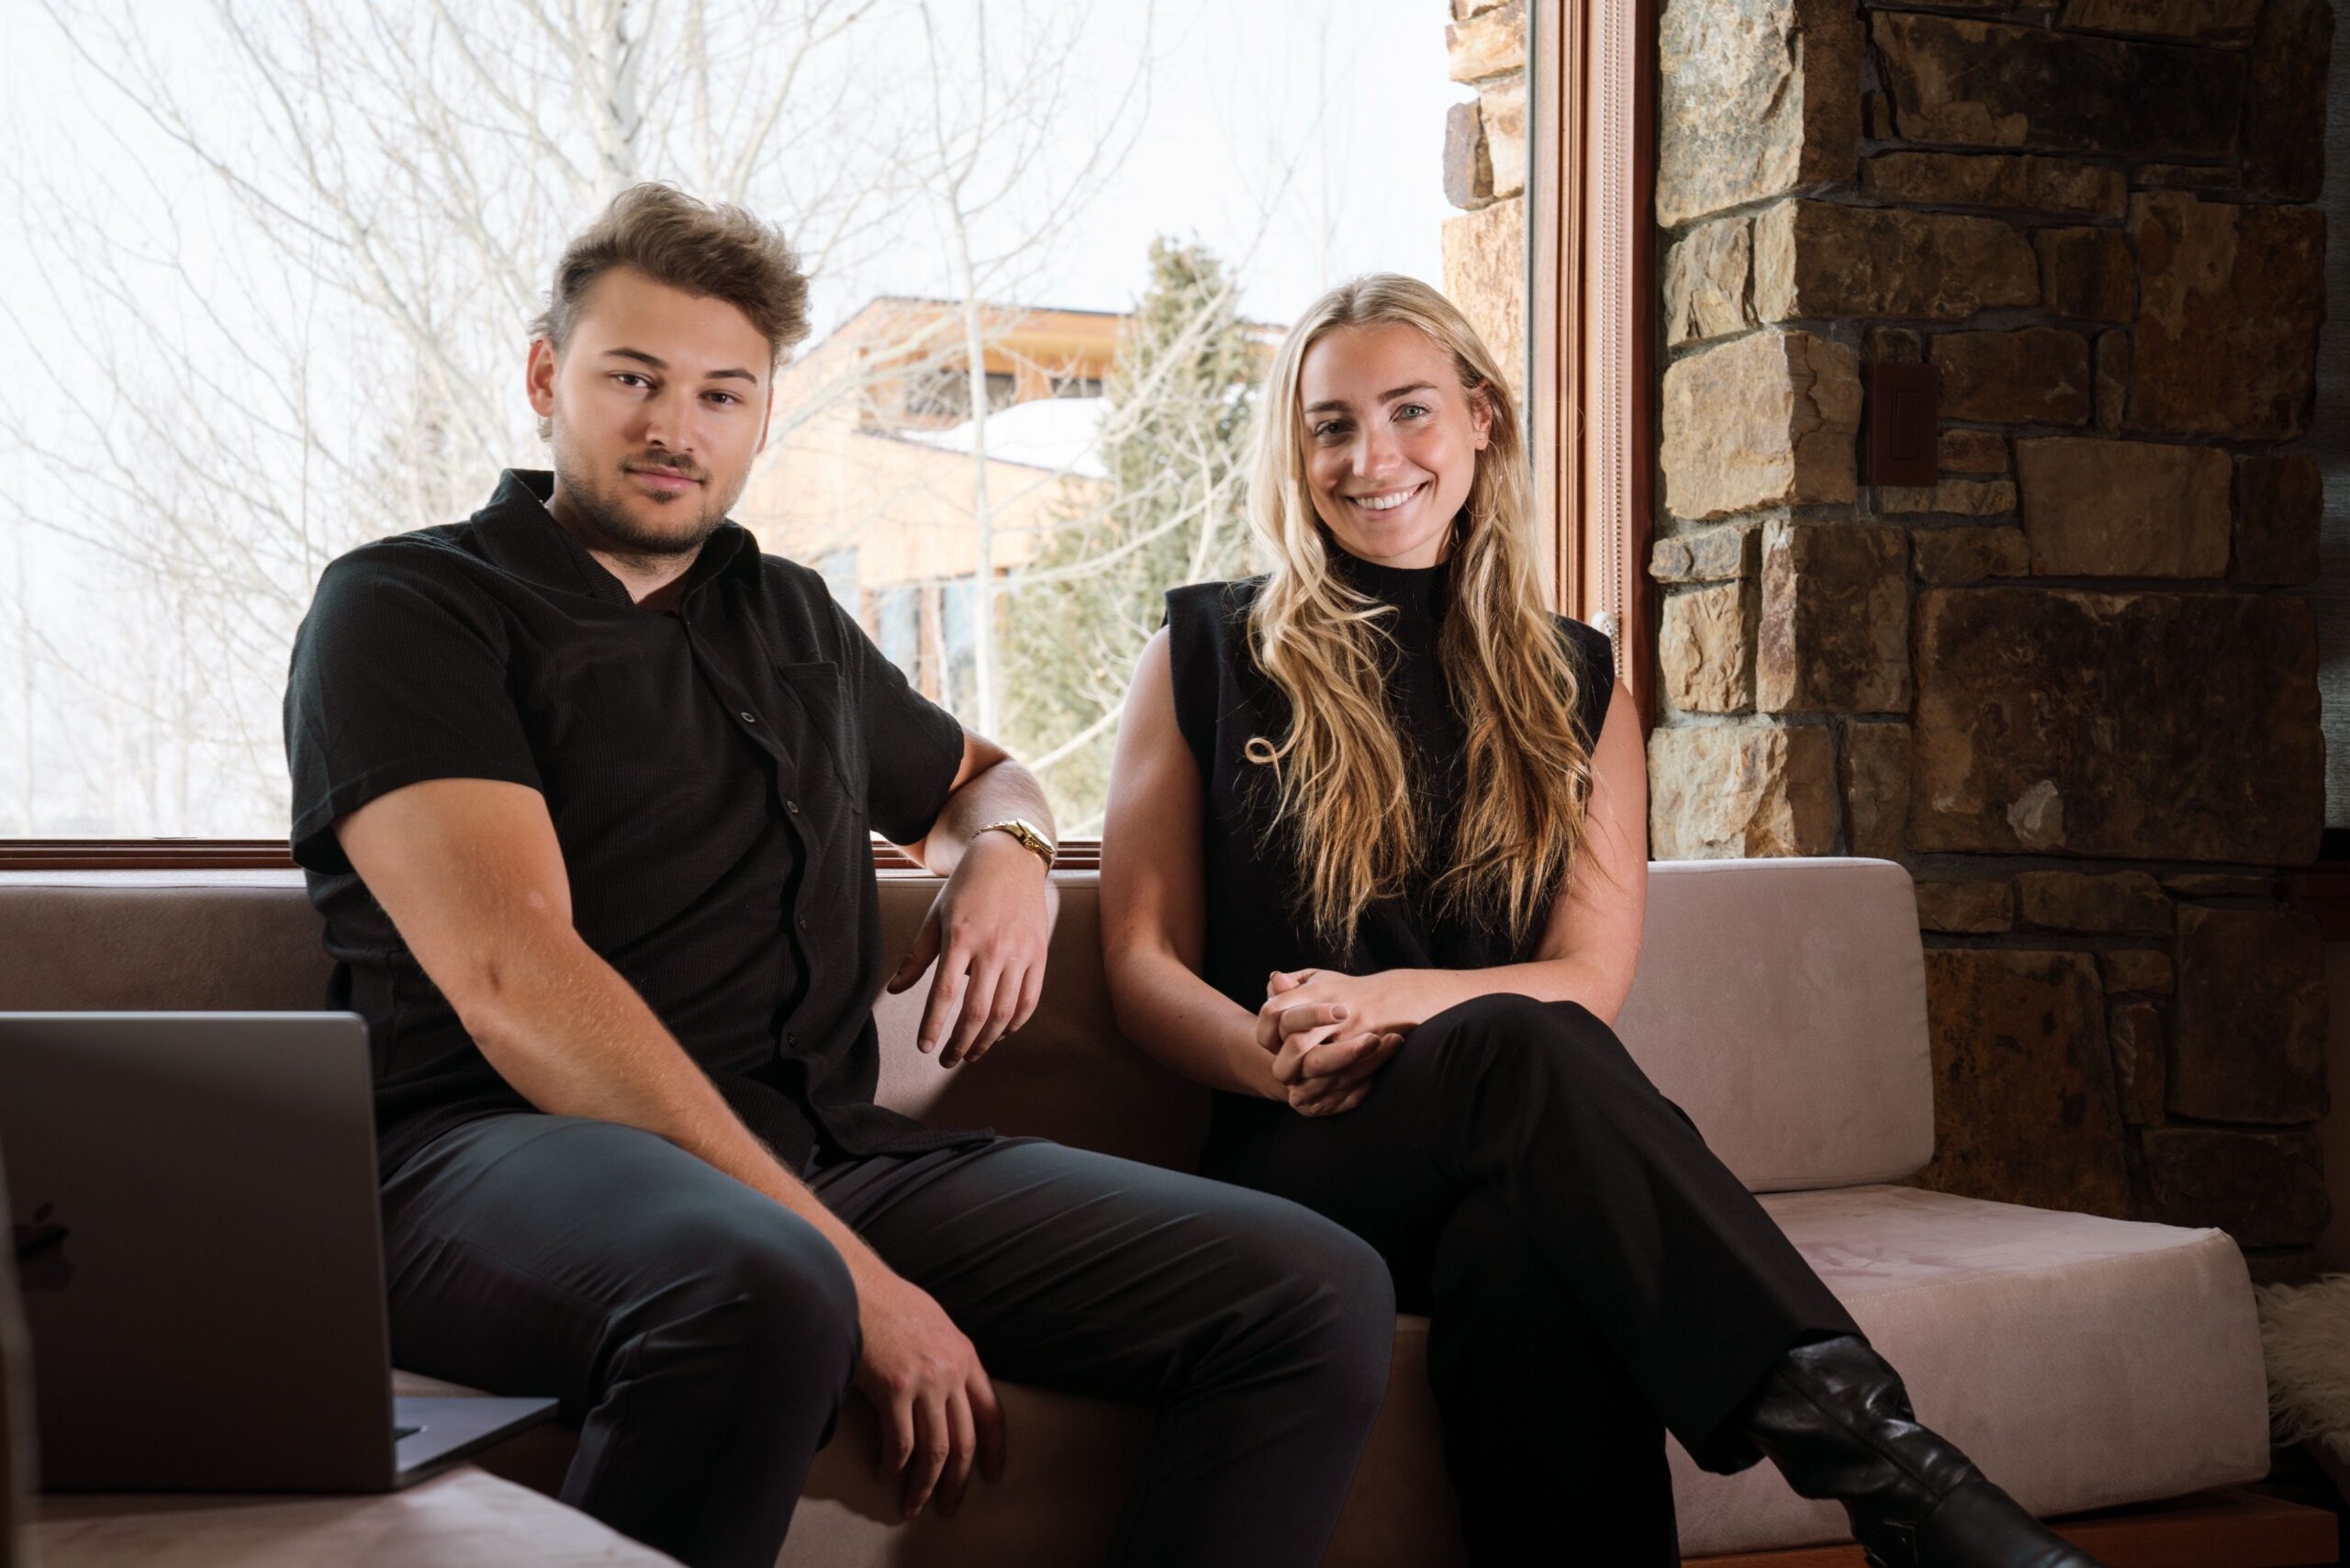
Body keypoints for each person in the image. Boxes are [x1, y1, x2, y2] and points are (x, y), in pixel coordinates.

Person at [281, 183, 1399, 1568]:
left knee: (1310, 1287)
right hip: (481, 1161)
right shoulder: (408, 607)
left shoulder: (786, 614)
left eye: (722, 393)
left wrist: (1007, 853)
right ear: (543, 377)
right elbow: (517, 981)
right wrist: (850, 1272)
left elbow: (984, 779)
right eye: (633, 377)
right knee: (765, 1288)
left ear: (760, 414)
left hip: (823, 1154)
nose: (673, 426)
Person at [1098, 273, 2103, 1568]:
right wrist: (1272, 1056)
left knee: (1528, 1251)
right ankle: (1896, 1476)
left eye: (1408, 411)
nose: (1371, 456)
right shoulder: (1207, 650)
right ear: (1295, 450)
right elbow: (1137, 961)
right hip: (1304, 1155)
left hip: (1522, 1151)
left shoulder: (1574, 678)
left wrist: (1393, 998)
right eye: (1330, 424)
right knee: (1526, 1054)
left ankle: (1886, 1476)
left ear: (1480, 420)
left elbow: (1589, 972)